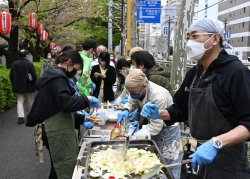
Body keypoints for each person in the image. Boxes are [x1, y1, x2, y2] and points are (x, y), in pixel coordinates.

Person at [140, 18, 250, 178]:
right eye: (188, 37)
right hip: (192, 147)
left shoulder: (236, 72)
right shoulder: (194, 73)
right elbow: (179, 110)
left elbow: (248, 123)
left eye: (195, 36)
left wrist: (216, 143)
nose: (189, 42)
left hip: (226, 156)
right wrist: (158, 113)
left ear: (215, 39)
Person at [26, 50, 99, 179]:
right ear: (69, 62)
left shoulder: (53, 74)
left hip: (52, 125)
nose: (75, 72)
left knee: (58, 166)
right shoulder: (58, 78)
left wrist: (81, 118)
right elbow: (66, 103)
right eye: (76, 68)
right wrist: (86, 99)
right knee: (62, 167)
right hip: (53, 129)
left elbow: (56, 107)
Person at [117, 69, 182, 179]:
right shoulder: (136, 90)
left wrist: (138, 134)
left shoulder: (159, 95)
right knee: (152, 164)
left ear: (144, 86)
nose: (131, 94)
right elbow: (131, 101)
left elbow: (156, 126)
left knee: (167, 167)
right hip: (154, 127)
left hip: (168, 132)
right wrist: (126, 110)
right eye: (129, 92)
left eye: (133, 92)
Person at [9, 49, 37, 124]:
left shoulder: (14, 64)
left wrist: (13, 83)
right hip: (28, 85)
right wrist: (35, 84)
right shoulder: (29, 64)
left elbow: (11, 75)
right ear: (26, 55)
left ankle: (20, 117)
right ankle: (29, 116)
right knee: (29, 101)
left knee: (20, 101)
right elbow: (34, 75)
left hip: (18, 85)